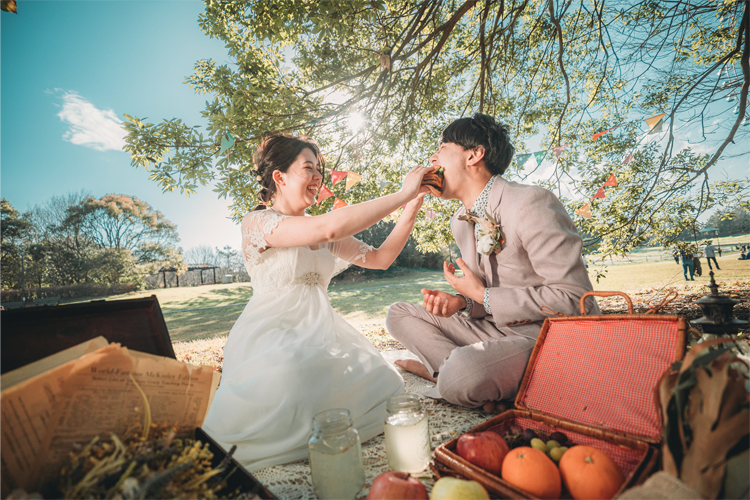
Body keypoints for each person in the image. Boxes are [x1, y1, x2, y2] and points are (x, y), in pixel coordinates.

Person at [202, 135, 431, 471]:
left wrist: (410, 208)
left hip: (324, 331)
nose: (318, 177)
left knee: (384, 382)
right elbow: (326, 230)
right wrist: (401, 194)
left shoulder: (324, 228)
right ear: (279, 177)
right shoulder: (258, 222)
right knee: (292, 378)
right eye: (308, 168)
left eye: (319, 171)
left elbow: (381, 258)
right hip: (273, 333)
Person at [386, 113, 599, 413]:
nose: (432, 157)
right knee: (397, 314)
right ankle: (452, 374)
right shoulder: (459, 222)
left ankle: (449, 374)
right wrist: (462, 303)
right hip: (492, 331)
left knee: (461, 372)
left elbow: (577, 300)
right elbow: (482, 295)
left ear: (474, 154)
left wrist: (481, 296)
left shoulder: (531, 202)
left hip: (544, 336)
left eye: (442, 146)